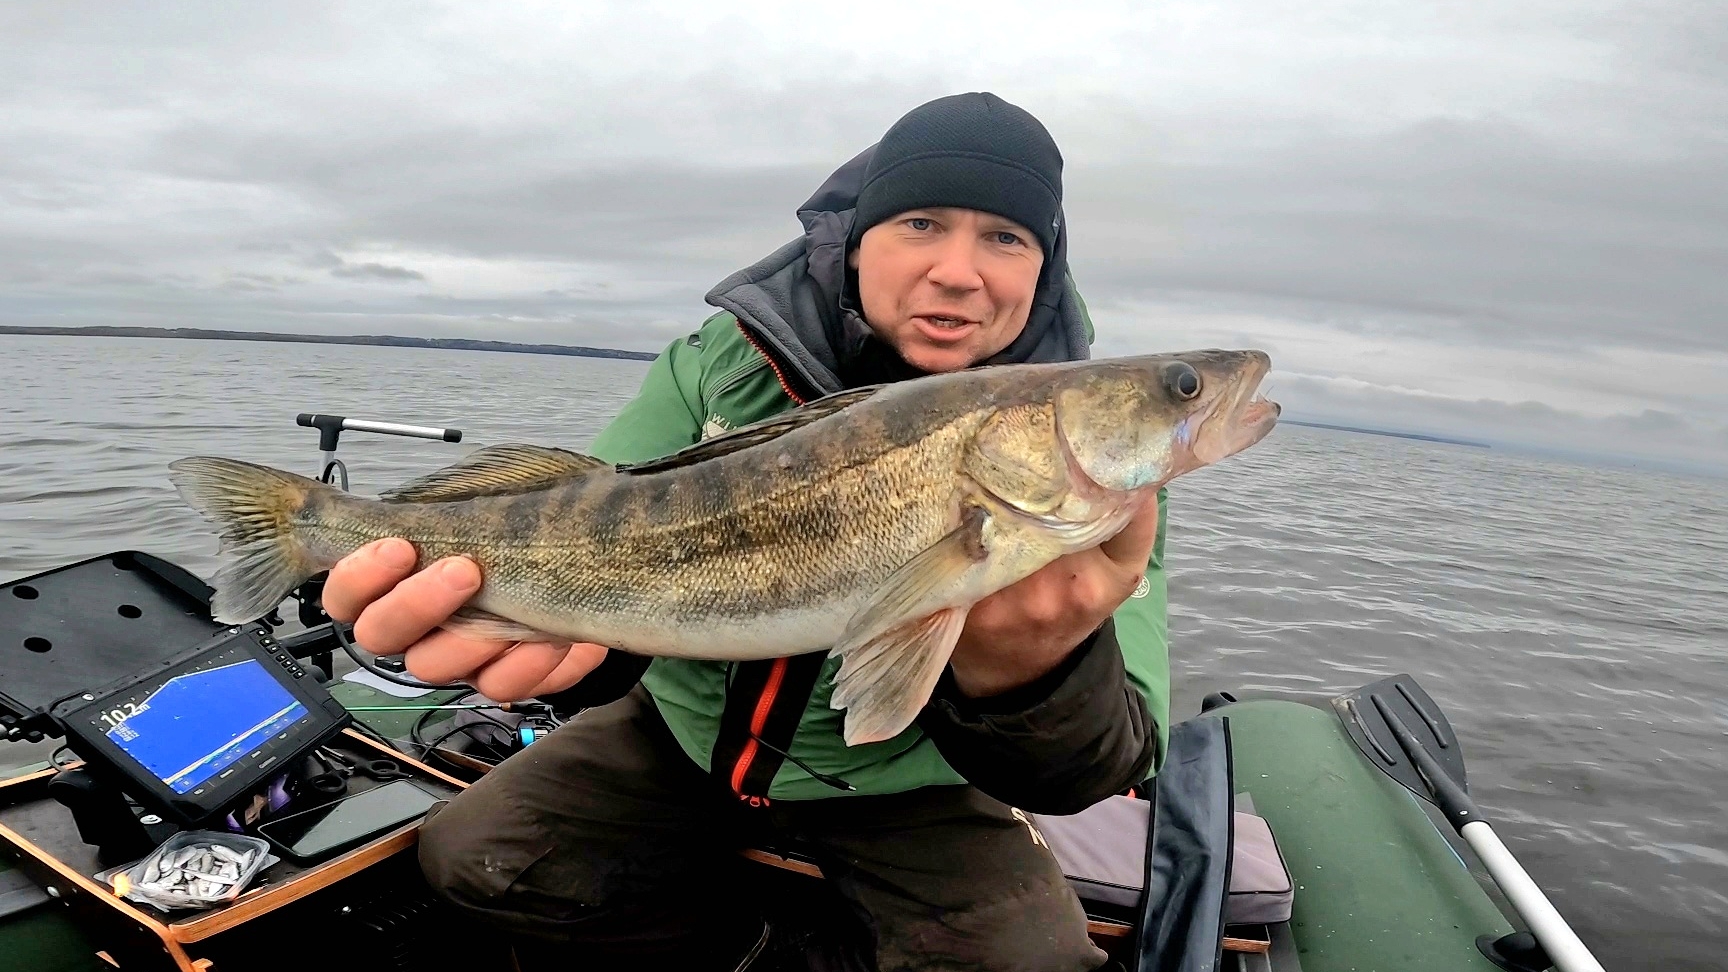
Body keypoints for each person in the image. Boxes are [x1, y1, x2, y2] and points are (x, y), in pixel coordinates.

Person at [322, 92, 1172, 972]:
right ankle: (744, 952)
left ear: (1044, 268)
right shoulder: (718, 364)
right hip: (680, 731)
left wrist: (1030, 677)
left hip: (913, 786)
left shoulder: (1103, 475)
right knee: (476, 858)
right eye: (921, 222)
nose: (959, 271)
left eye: (1007, 238)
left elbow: (1107, 759)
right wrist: (588, 653)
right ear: (854, 236)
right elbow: (593, 521)